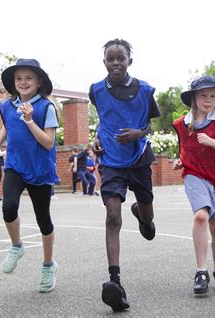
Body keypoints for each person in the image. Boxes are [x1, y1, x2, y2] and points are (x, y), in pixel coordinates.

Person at [89, 38, 161, 312]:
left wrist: (138, 133)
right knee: (112, 216)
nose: (116, 63)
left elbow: (150, 126)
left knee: (148, 218)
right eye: (111, 58)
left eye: (121, 58)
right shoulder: (96, 90)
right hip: (110, 160)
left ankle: (144, 217)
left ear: (130, 60)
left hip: (139, 156)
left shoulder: (144, 90)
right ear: (105, 61)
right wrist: (94, 140)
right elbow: (104, 120)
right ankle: (115, 282)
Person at [0, 58, 60, 293]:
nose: (23, 82)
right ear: (13, 82)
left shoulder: (46, 108)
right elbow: (7, 127)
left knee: (43, 219)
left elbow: (48, 143)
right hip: (15, 166)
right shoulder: (6, 106)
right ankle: (17, 246)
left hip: (40, 169)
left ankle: (48, 265)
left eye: (29, 78)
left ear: (38, 82)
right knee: (9, 206)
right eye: (19, 78)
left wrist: (29, 120)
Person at [172, 76, 215, 294]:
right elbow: (186, 150)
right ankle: (201, 271)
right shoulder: (183, 123)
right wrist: (179, 160)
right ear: (194, 98)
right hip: (195, 175)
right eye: (203, 95)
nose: (208, 99)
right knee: (201, 216)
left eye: (212, 95)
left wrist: (210, 142)